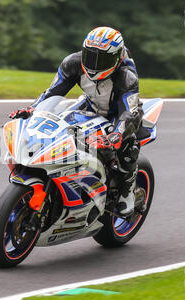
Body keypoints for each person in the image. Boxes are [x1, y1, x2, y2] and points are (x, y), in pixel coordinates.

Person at [9, 26, 143, 217]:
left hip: (120, 114)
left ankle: (127, 191)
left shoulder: (126, 77)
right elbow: (53, 92)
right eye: (90, 56)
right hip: (90, 105)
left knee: (127, 147)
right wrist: (32, 109)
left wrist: (115, 136)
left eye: (102, 59)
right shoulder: (73, 63)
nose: (94, 64)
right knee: (59, 125)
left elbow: (128, 114)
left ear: (117, 58)